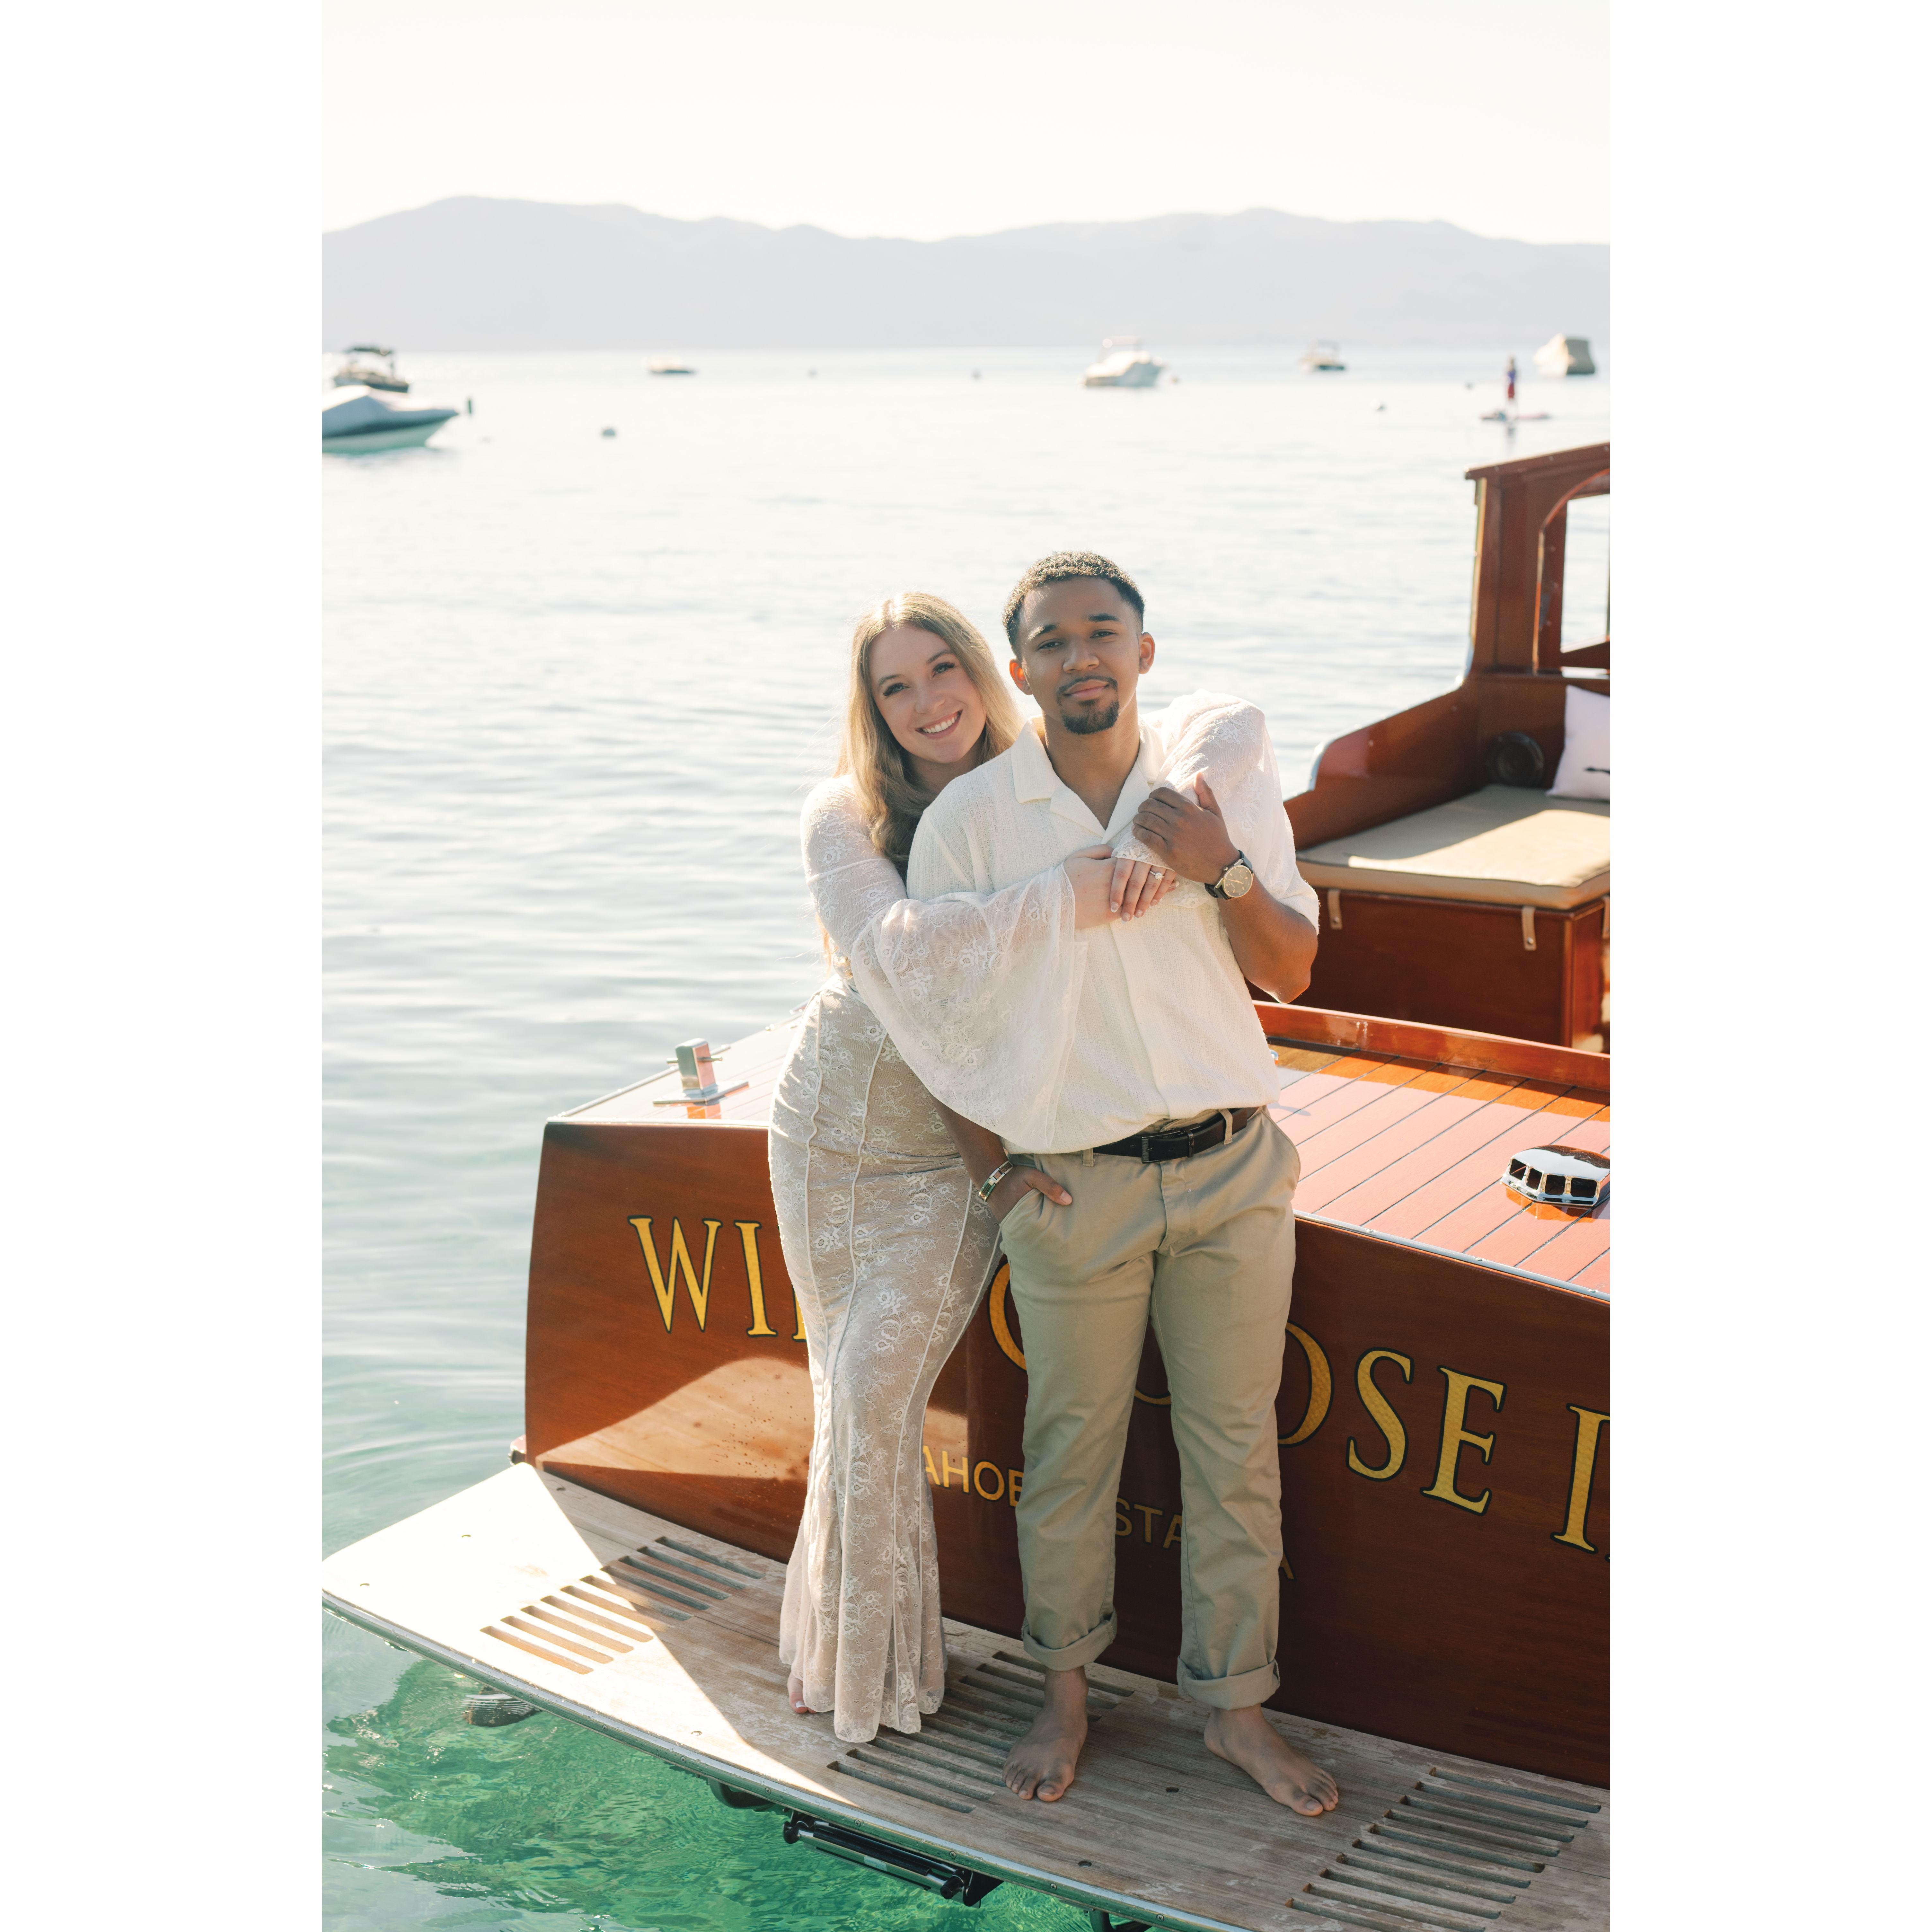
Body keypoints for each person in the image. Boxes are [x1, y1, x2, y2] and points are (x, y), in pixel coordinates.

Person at [906, 552, 1343, 1817]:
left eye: (1103, 631)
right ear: (1022, 671)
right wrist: (996, 1175)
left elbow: (1292, 970)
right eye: (1052, 640)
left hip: (1232, 1171)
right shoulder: (971, 824)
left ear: (1142, 654)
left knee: (1236, 1452)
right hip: (1074, 1192)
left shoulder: (1211, 794)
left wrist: (1220, 864)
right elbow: (935, 1016)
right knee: (1068, 1456)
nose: (1080, 655)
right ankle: (1063, 1697)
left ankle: (1236, 1713)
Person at [768, 592, 1175, 1744]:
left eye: (942, 670)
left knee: (873, 1389)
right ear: (872, 709)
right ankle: (843, 1653)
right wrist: (1059, 899)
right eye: (895, 687)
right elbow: (892, 950)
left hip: (957, 1151)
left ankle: (872, 1670)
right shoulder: (842, 814)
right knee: (843, 1388)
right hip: (827, 1133)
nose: (927, 703)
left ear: (982, 672)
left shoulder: (1027, 792)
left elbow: (1208, 735)